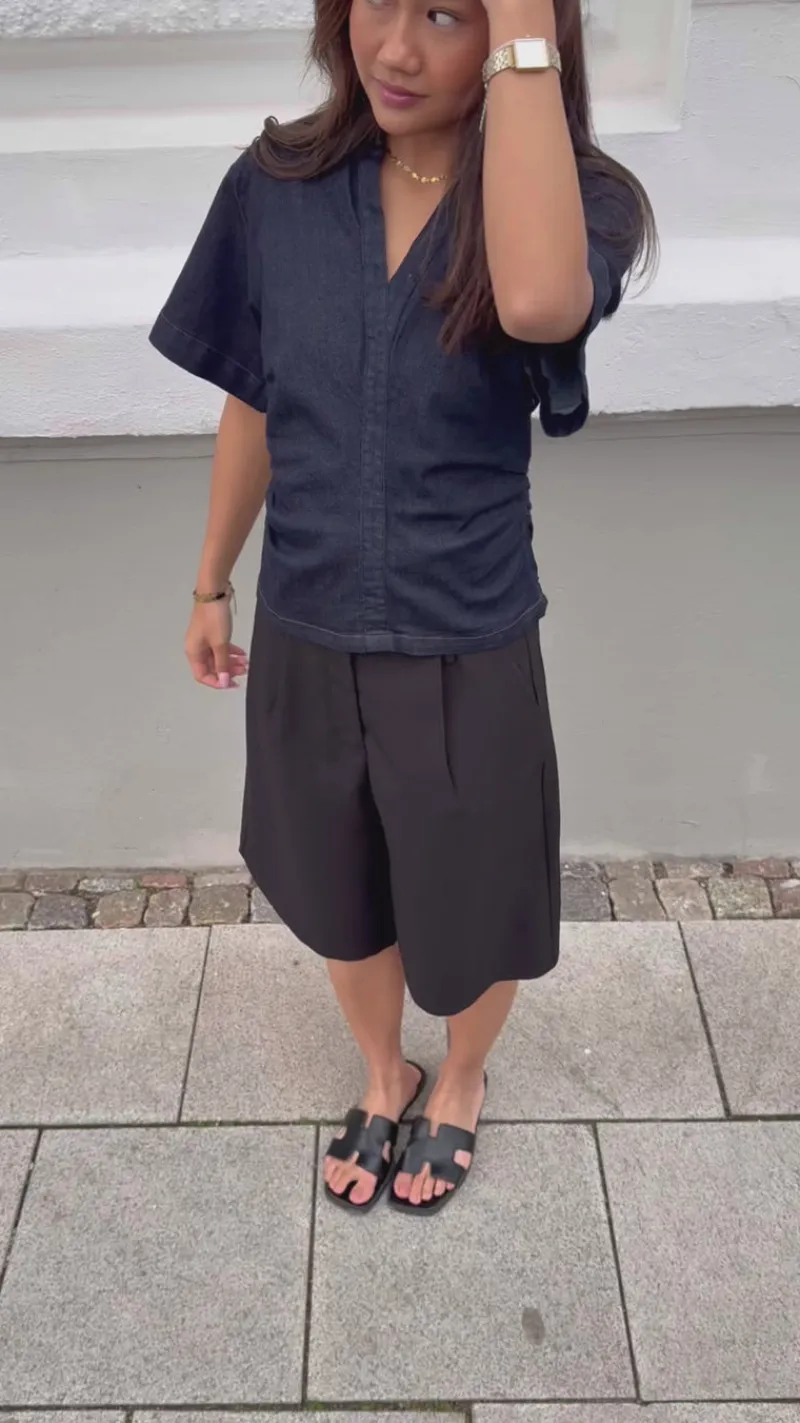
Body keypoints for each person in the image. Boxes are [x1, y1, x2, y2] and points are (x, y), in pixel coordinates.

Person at [150, 0, 655, 1216]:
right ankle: (384, 1074)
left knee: (472, 898)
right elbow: (253, 398)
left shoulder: (575, 201)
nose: (393, 49)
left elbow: (537, 304)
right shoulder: (277, 185)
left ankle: (461, 1078)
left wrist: (521, 28)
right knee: (339, 891)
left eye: (444, 13)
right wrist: (213, 576)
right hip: (308, 616)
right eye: (378, 2)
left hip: (463, 629)